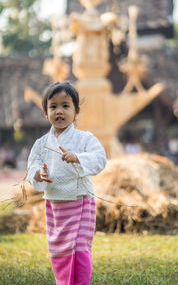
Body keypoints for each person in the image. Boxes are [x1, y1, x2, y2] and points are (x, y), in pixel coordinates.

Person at [26, 81, 106, 285]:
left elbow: (100, 159)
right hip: (55, 206)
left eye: (65, 106)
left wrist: (78, 157)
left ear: (76, 111)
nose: (59, 111)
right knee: (59, 250)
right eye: (53, 106)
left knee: (79, 249)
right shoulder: (41, 144)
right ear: (45, 112)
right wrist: (38, 174)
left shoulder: (85, 139)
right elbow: (32, 167)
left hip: (80, 202)